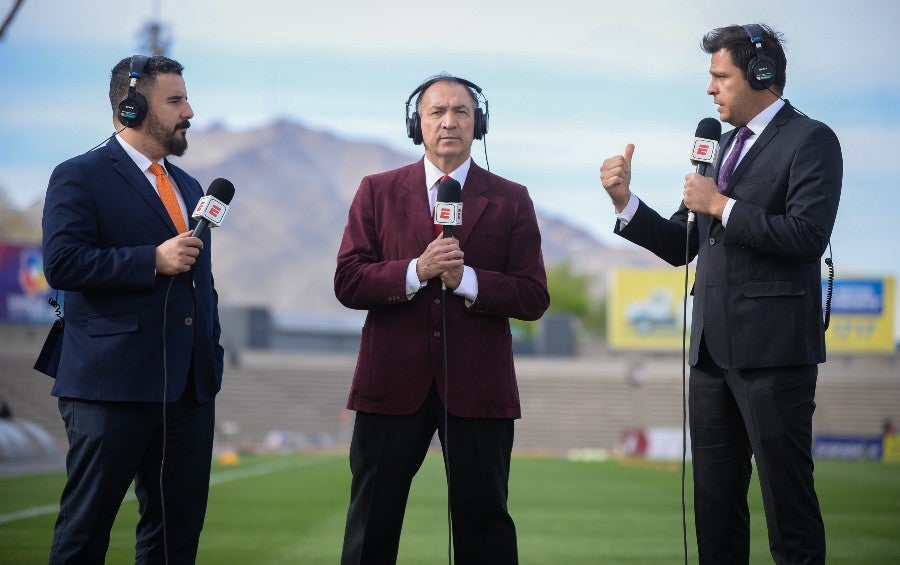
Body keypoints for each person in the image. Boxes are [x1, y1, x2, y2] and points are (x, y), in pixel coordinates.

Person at [600, 24, 841, 564]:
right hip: (710, 355)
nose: (711, 89)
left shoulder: (812, 140)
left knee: (788, 508)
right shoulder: (721, 147)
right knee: (714, 509)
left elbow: (806, 236)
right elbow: (682, 243)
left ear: (761, 75)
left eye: (720, 76)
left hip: (775, 356)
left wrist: (722, 206)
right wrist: (625, 202)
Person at [335, 74, 549, 564]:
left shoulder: (512, 198)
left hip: (478, 388)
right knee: (371, 521)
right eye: (437, 112)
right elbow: (348, 281)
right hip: (390, 384)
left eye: (461, 112)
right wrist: (416, 271)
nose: (449, 122)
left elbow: (534, 296)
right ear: (418, 123)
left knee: (485, 525)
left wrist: (467, 280)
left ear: (479, 124)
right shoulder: (376, 191)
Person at [41, 55, 224, 564]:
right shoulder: (80, 175)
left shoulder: (190, 188)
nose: (189, 110)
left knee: (173, 539)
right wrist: (151, 260)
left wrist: (212, 354)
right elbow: (62, 263)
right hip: (110, 388)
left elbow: (201, 287)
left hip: (187, 392)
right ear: (131, 106)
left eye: (185, 98)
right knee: (86, 530)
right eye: (175, 100)